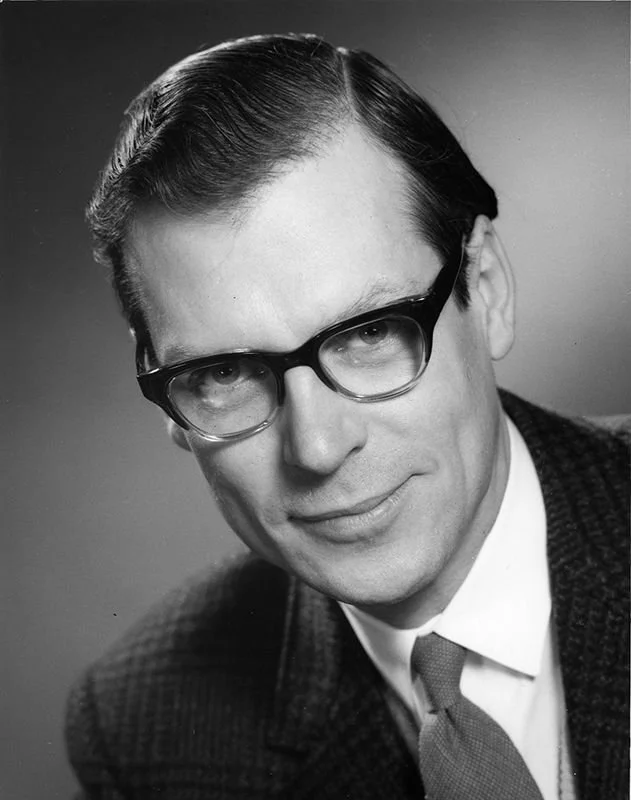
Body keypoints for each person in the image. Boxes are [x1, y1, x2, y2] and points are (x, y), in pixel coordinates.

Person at [65, 33, 629, 800]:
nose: (320, 446)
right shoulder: (147, 728)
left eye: (368, 334)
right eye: (225, 372)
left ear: (486, 288)